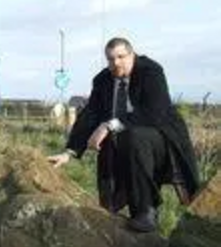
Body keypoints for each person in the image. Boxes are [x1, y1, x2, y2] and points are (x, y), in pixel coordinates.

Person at [48, 37, 199, 232]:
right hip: (124, 142)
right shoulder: (103, 80)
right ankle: (111, 212)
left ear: (132, 54)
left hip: (162, 139)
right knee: (120, 142)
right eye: (110, 59)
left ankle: (145, 211)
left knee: (133, 135)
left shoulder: (151, 71)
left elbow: (154, 113)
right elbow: (90, 115)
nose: (115, 63)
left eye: (121, 57)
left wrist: (109, 125)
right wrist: (69, 152)